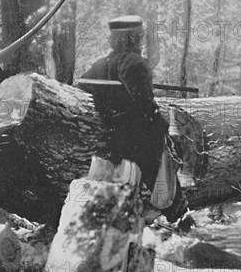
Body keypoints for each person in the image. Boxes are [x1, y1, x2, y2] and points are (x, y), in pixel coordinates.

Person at [78, 15, 193, 231]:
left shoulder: (101, 65)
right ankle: (181, 220)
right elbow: (145, 105)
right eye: (138, 38)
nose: (140, 42)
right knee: (164, 173)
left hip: (112, 139)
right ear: (132, 39)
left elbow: (81, 87)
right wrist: (162, 126)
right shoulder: (136, 63)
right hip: (139, 138)